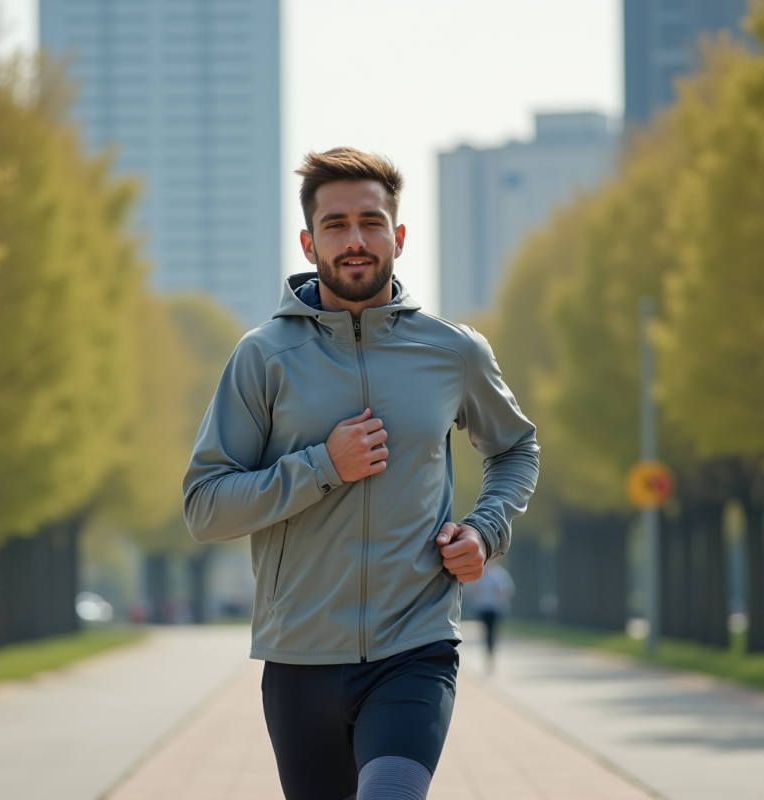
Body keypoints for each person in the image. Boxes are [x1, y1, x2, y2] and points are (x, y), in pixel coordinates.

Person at [183, 147, 539, 800]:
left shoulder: (451, 351)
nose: (356, 240)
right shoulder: (263, 357)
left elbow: (515, 449)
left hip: (415, 649)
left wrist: (485, 533)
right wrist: (323, 466)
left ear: (398, 236)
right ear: (308, 239)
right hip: (299, 662)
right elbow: (206, 506)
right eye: (337, 224)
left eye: (371, 222)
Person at [466, 561, 515, 673]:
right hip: (483, 608)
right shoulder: (480, 574)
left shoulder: (500, 574)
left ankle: (491, 652)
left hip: (495, 608)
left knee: (492, 633)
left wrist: (501, 593)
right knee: (486, 633)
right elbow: (472, 590)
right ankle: (488, 652)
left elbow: (509, 590)